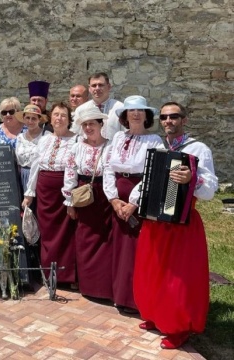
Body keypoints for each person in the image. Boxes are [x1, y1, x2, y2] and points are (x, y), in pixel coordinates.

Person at [133, 102, 218, 349]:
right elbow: (147, 178)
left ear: (184, 119)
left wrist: (194, 178)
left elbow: (211, 189)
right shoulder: (158, 147)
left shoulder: (198, 149)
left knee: (178, 278)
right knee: (153, 271)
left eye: (174, 116)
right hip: (155, 222)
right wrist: (137, 198)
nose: (168, 121)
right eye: (164, 117)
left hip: (182, 223)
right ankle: (155, 314)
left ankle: (178, 326)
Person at [102, 95, 162, 313]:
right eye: (131, 110)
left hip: (140, 196)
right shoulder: (118, 137)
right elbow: (108, 167)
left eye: (140, 110)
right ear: (125, 115)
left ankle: (136, 299)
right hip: (118, 195)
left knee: (136, 249)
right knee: (119, 248)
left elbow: (151, 173)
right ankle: (119, 294)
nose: (136, 114)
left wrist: (133, 203)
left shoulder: (154, 141)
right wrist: (113, 198)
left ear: (146, 115)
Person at [22, 102, 78, 285]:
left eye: (63, 115)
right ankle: (47, 272)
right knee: (46, 233)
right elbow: (36, 166)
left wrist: (70, 196)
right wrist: (29, 192)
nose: (59, 118)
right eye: (55, 114)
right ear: (50, 118)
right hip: (45, 192)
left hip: (64, 191)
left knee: (66, 233)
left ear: (69, 120)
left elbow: (74, 168)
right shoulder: (45, 139)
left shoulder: (76, 140)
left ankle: (65, 275)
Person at [62, 103, 113, 300]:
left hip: (104, 195)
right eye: (84, 125)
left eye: (92, 124)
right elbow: (70, 174)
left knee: (105, 239)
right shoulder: (76, 148)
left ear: (101, 124)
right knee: (85, 239)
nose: (88, 128)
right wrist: (70, 202)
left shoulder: (109, 147)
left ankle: (104, 287)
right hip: (83, 194)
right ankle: (88, 285)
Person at [73, 73, 124, 140]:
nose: (97, 88)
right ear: (89, 89)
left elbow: (126, 133)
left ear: (109, 87)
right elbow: (76, 134)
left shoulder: (120, 108)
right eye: (94, 85)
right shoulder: (80, 110)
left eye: (101, 85)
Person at [15, 105, 49, 195]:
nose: (30, 121)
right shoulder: (20, 137)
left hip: (39, 176)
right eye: (27, 118)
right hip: (22, 176)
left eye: (34, 118)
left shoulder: (46, 136)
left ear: (39, 120)